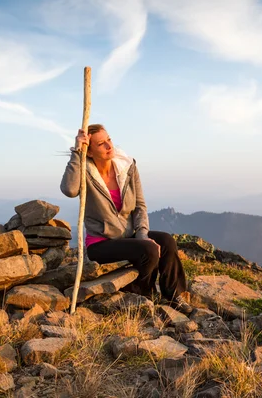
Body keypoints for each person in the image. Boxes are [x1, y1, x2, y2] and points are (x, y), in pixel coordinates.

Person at [60, 124, 191, 314]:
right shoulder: (85, 172)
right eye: (100, 144)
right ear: (89, 152)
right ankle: (141, 295)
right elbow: (69, 190)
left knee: (167, 241)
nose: (108, 146)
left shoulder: (127, 167)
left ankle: (174, 296)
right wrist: (76, 151)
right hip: (101, 243)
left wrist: (142, 234)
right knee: (149, 250)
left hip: (128, 236)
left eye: (109, 140)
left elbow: (139, 206)